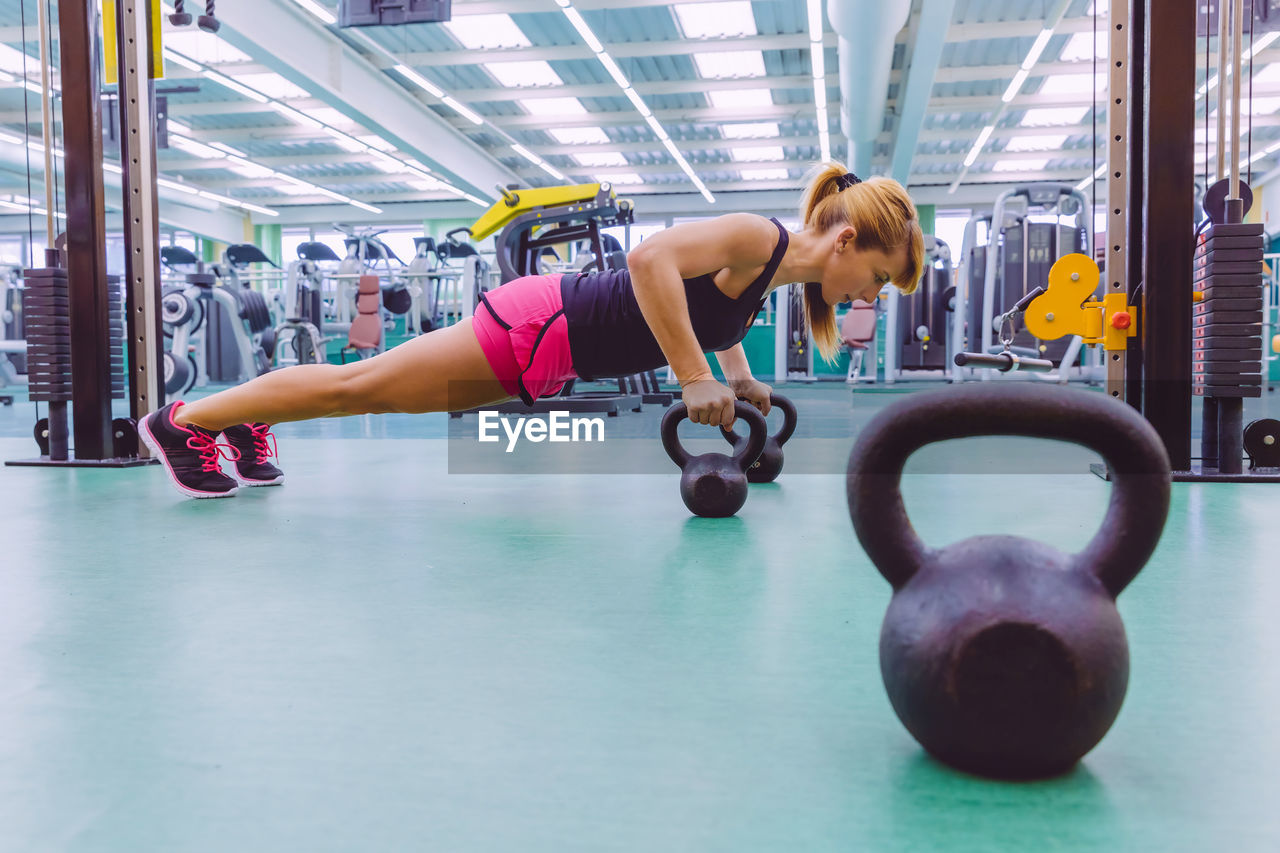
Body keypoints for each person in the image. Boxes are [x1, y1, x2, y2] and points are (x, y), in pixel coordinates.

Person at [139, 164, 925, 498]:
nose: (875, 295)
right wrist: (694, 377)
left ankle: (244, 421)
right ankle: (182, 421)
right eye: (882, 277)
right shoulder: (760, 235)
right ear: (850, 241)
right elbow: (650, 260)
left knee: (370, 392)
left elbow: (703, 308)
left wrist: (735, 373)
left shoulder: (771, 275)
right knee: (359, 385)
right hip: (540, 320)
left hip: (551, 352)